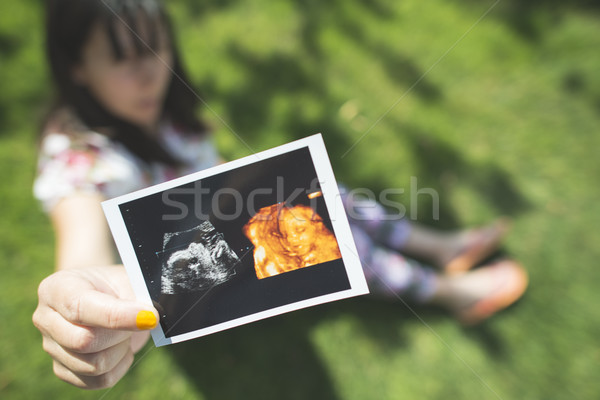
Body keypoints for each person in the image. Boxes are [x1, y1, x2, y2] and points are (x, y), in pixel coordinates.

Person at [32, 0, 528, 390]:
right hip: (200, 281)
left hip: (223, 219)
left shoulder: (164, 106)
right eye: (121, 58)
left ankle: (438, 248)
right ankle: (447, 292)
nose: (148, 73)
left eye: (154, 46)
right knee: (334, 242)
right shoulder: (82, 161)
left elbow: (203, 172)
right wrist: (79, 290)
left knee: (324, 193)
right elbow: (80, 246)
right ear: (75, 66)